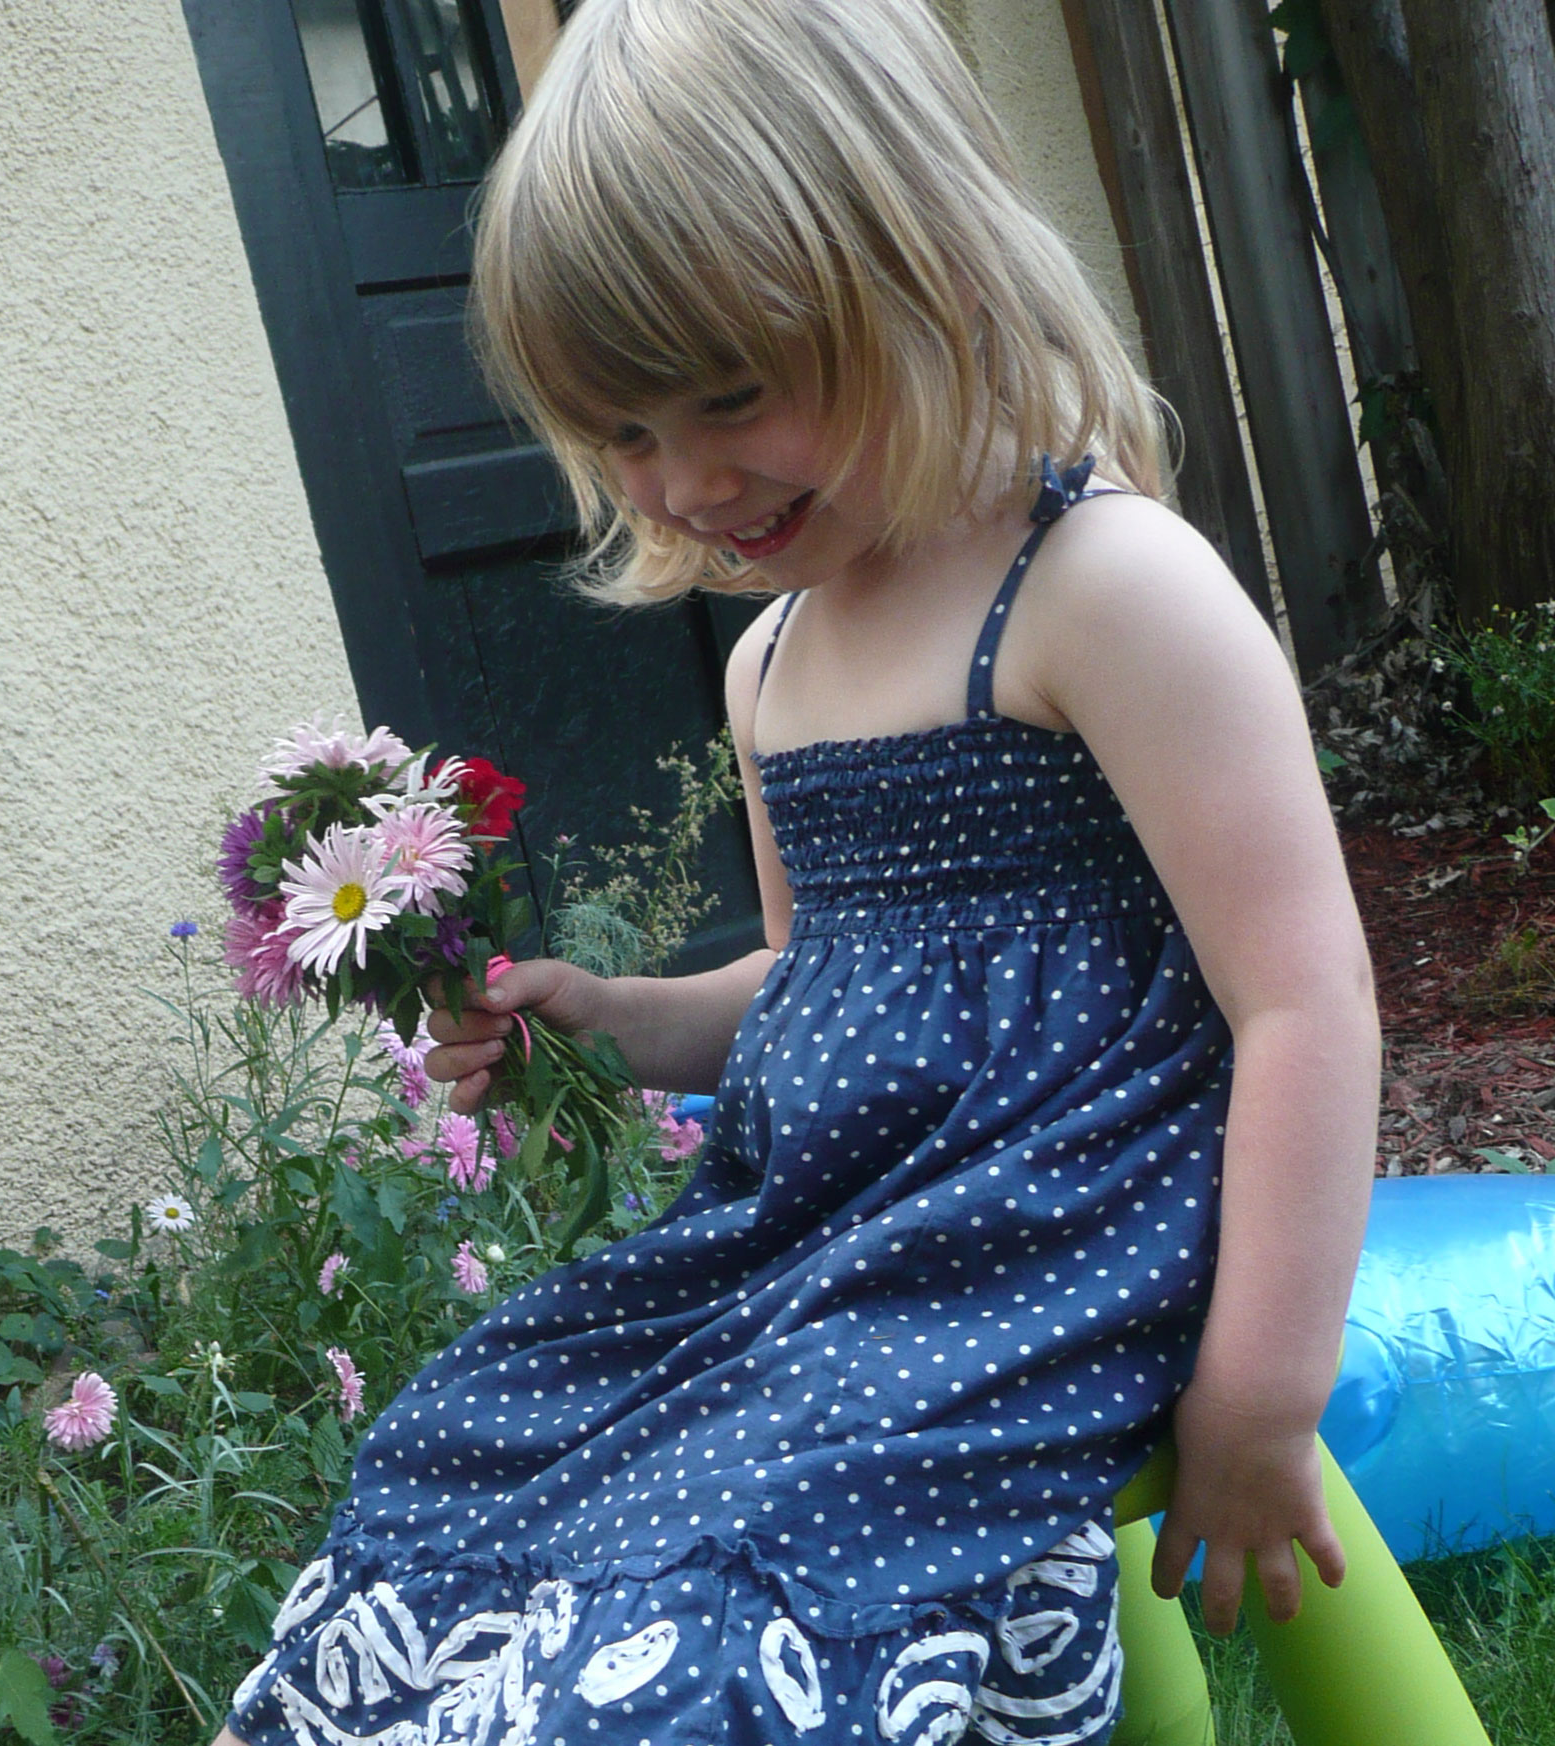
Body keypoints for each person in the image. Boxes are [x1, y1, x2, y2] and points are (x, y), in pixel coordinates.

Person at [216, 0, 1378, 1739]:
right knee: (490, 1428)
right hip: (827, 1251)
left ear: (928, 274)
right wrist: (615, 1020)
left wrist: (1263, 1396)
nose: (686, 480)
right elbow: (811, 979)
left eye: (733, 395)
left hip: (1045, 1242)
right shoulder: (770, 665)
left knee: (748, 1546)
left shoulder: (1099, 587)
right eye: (625, 432)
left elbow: (1301, 997)